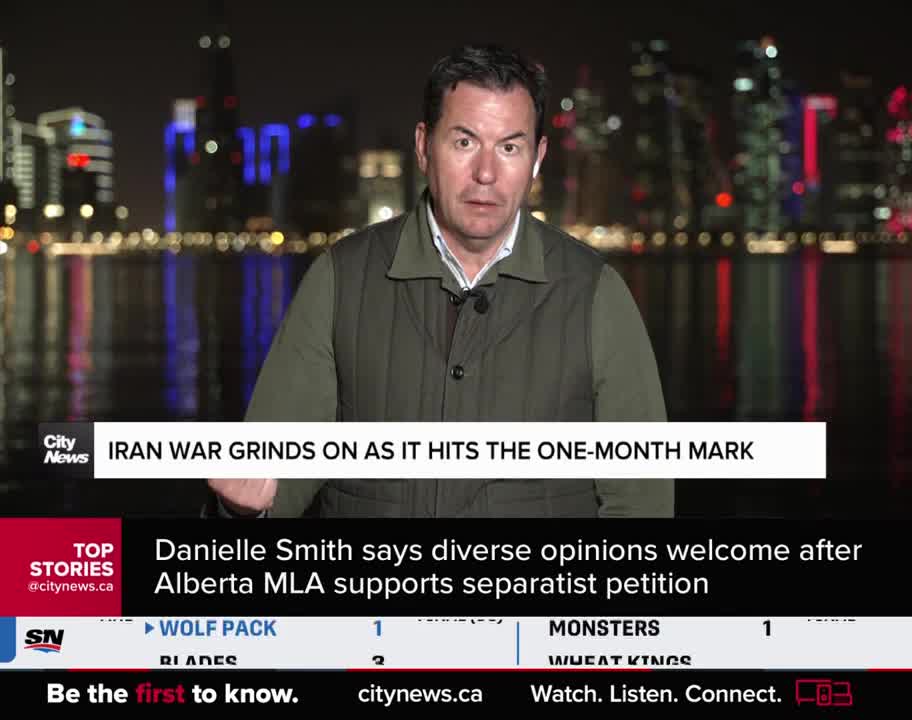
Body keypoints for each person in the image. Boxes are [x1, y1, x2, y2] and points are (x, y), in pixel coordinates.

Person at [207, 44, 672, 518]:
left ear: (537, 158)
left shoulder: (596, 293)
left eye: (510, 147)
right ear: (424, 146)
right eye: (464, 142)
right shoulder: (339, 279)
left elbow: (642, 503)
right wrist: (241, 511)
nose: (486, 173)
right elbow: (267, 482)